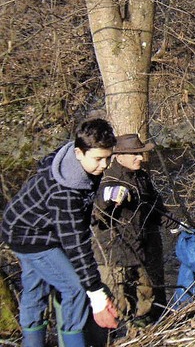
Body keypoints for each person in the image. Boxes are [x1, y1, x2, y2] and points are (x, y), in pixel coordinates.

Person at [1, 118, 119, 347]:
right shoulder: (64, 192)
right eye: (98, 159)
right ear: (78, 152)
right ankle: (73, 341)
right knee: (74, 287)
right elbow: (76, 244)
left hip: (35, 227)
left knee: (36, 286)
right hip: (28, 234)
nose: (104, 165)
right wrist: (95, 291)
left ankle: (32, 343)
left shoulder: (75, 161)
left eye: (108, 157)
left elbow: (75, 229)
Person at [91, 134, 169, 333]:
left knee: (146, 303)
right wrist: (112, 196)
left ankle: (143, 336)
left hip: (139, 253)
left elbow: (156, 210)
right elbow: (98, 208)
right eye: (134, 154)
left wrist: (179, 226)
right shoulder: (106, 180)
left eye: (141, 154)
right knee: (117, 309)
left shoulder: (142, 178)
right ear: (119, 156)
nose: (140, 158)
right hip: (113, 257)